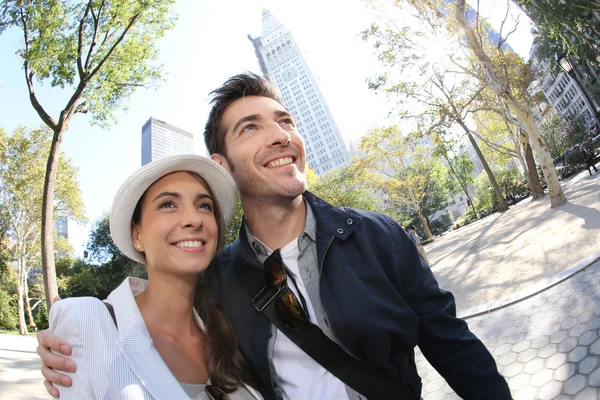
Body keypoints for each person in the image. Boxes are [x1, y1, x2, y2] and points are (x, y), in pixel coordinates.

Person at [38, 73, 510, 399]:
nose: (281, 135)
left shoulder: (377, 236)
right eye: (251, 128)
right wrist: (74, 338)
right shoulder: (217, 278)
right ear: (222, 166)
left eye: (285, 121)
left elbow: (455, 346)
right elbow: (154, 309)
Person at [46, 154, 262, 399]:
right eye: (168, 204)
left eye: (204, 206)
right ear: (137, 235)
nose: (193, 219)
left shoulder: (233, 327)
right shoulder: (86, 321)